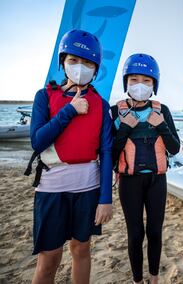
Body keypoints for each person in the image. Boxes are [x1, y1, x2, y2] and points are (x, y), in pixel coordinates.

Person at [27, 29, 113, 284]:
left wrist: (105, 198)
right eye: (74, 60)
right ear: (62, 62)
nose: (80, 67)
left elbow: (107, 151)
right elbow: (38, 141)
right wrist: (70, 110)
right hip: (51, 189)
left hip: (87, 188)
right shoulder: (44, 96)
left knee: (81, 249)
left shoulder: (101, 103)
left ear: (95, 68)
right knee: (49, 258)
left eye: (87, 62)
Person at [111, 53, 180, 284]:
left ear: (154, 84)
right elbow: (110, 155)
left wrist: (160, 125)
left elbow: (175, 147)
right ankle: (137, 280)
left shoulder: (163, 110)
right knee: (135, 233)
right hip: (129, 182)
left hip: (156, 181)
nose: (140, 85)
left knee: (154, 232)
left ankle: (154, 278)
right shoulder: (115, 111)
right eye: (134, 80)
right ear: (126, 82)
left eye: (146, 80)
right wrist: (124, 129)